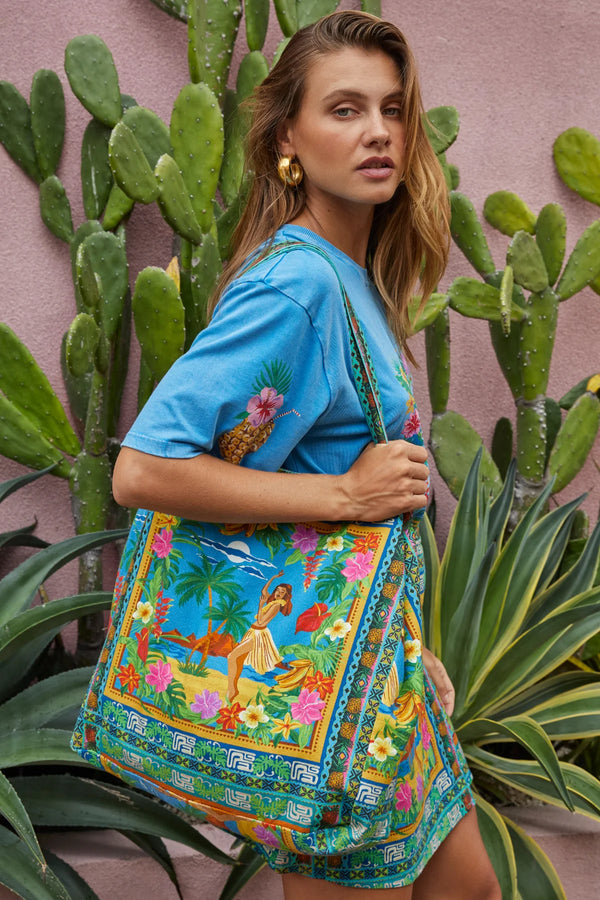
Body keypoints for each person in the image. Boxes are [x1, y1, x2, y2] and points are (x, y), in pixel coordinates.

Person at [113, 10, 501, 899]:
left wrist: (405, 639)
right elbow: (142, 468)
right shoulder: (298, 283)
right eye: (345, 109)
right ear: (288, 137)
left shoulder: (350, 275)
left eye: (393, 109)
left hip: (376, 665)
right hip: (325, 699)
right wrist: (347, 494)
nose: (378, 132)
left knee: (468, 887)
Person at [227, 571, 293, 701]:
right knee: (237, 659)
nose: (278, 593)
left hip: (258, 635)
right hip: (252, 631)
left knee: (232, 657)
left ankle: (232, 689)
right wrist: (273, 577)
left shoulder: (277, 605)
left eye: (282, 592)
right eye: (278, 590)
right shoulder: (272, 600)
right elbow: (264, 591)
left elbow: (262, 621)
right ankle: (232, 689)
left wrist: (260, 605)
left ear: (286, 595)